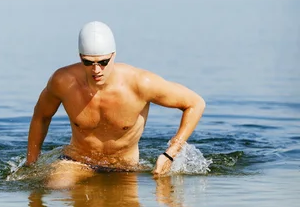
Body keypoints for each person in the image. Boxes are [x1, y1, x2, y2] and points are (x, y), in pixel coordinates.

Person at [26, 21, 205, 188]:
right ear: (80, 57)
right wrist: (31, 164)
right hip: (76, 162)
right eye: (88, 62)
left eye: (103, 62)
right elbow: (41, 117)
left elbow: (195, 103)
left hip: (125, 169)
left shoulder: (140, 83)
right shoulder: (63, 82)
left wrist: (170, 154)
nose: (96, 70)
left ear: (114, 55)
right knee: (52, 189)